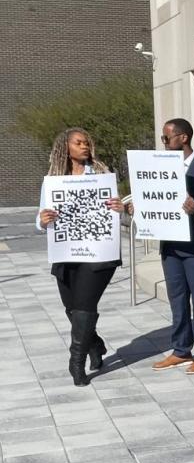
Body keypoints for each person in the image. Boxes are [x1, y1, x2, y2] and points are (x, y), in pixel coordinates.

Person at [36, 128, 125, 386]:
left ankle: (76, 362)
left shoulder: (100, 174)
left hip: (98, 254)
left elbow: (113, 211)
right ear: (66, 147)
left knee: (85, 306)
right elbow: (40, 218)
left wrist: (119, 208)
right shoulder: (53, 180)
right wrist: (42, 220)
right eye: (79, 143)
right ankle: (95, 345)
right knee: (72, 308)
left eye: (87, 142)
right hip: (66, 253)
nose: (85, 146)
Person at [150, 119, 194, 374]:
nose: (164, 142)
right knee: (177, 299)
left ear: (183, 138)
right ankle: (181, 349)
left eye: (166, 138)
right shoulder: (159, 168)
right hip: (170, 246)